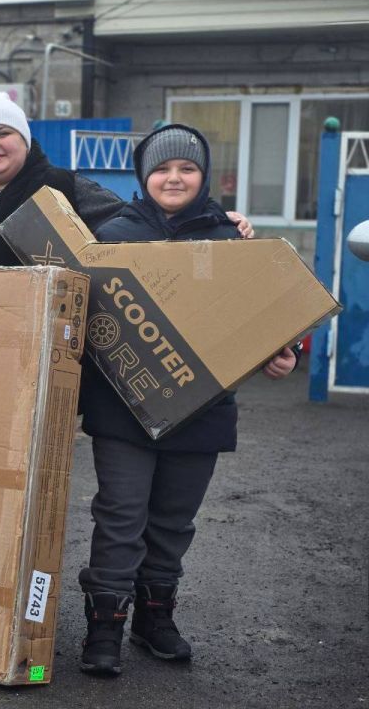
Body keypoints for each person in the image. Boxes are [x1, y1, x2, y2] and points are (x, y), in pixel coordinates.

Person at [76, 124, 301, 676]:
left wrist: (284, 351)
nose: (173, 178)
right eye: (162, 168)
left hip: (203, 409)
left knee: (174, 521)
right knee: (121, 516)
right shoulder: (111, 234)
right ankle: (104, 627)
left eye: (187, 169)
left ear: (203, 177)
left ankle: (155, 620)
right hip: (123, 410)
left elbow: (265, 309)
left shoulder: (231, 237)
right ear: (142, 175)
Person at [0, 91, 252, 280]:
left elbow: (143, 225)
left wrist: (213, 218)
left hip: (38, 345)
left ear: (25, 140)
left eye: (3, 132)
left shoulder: (63, 186)